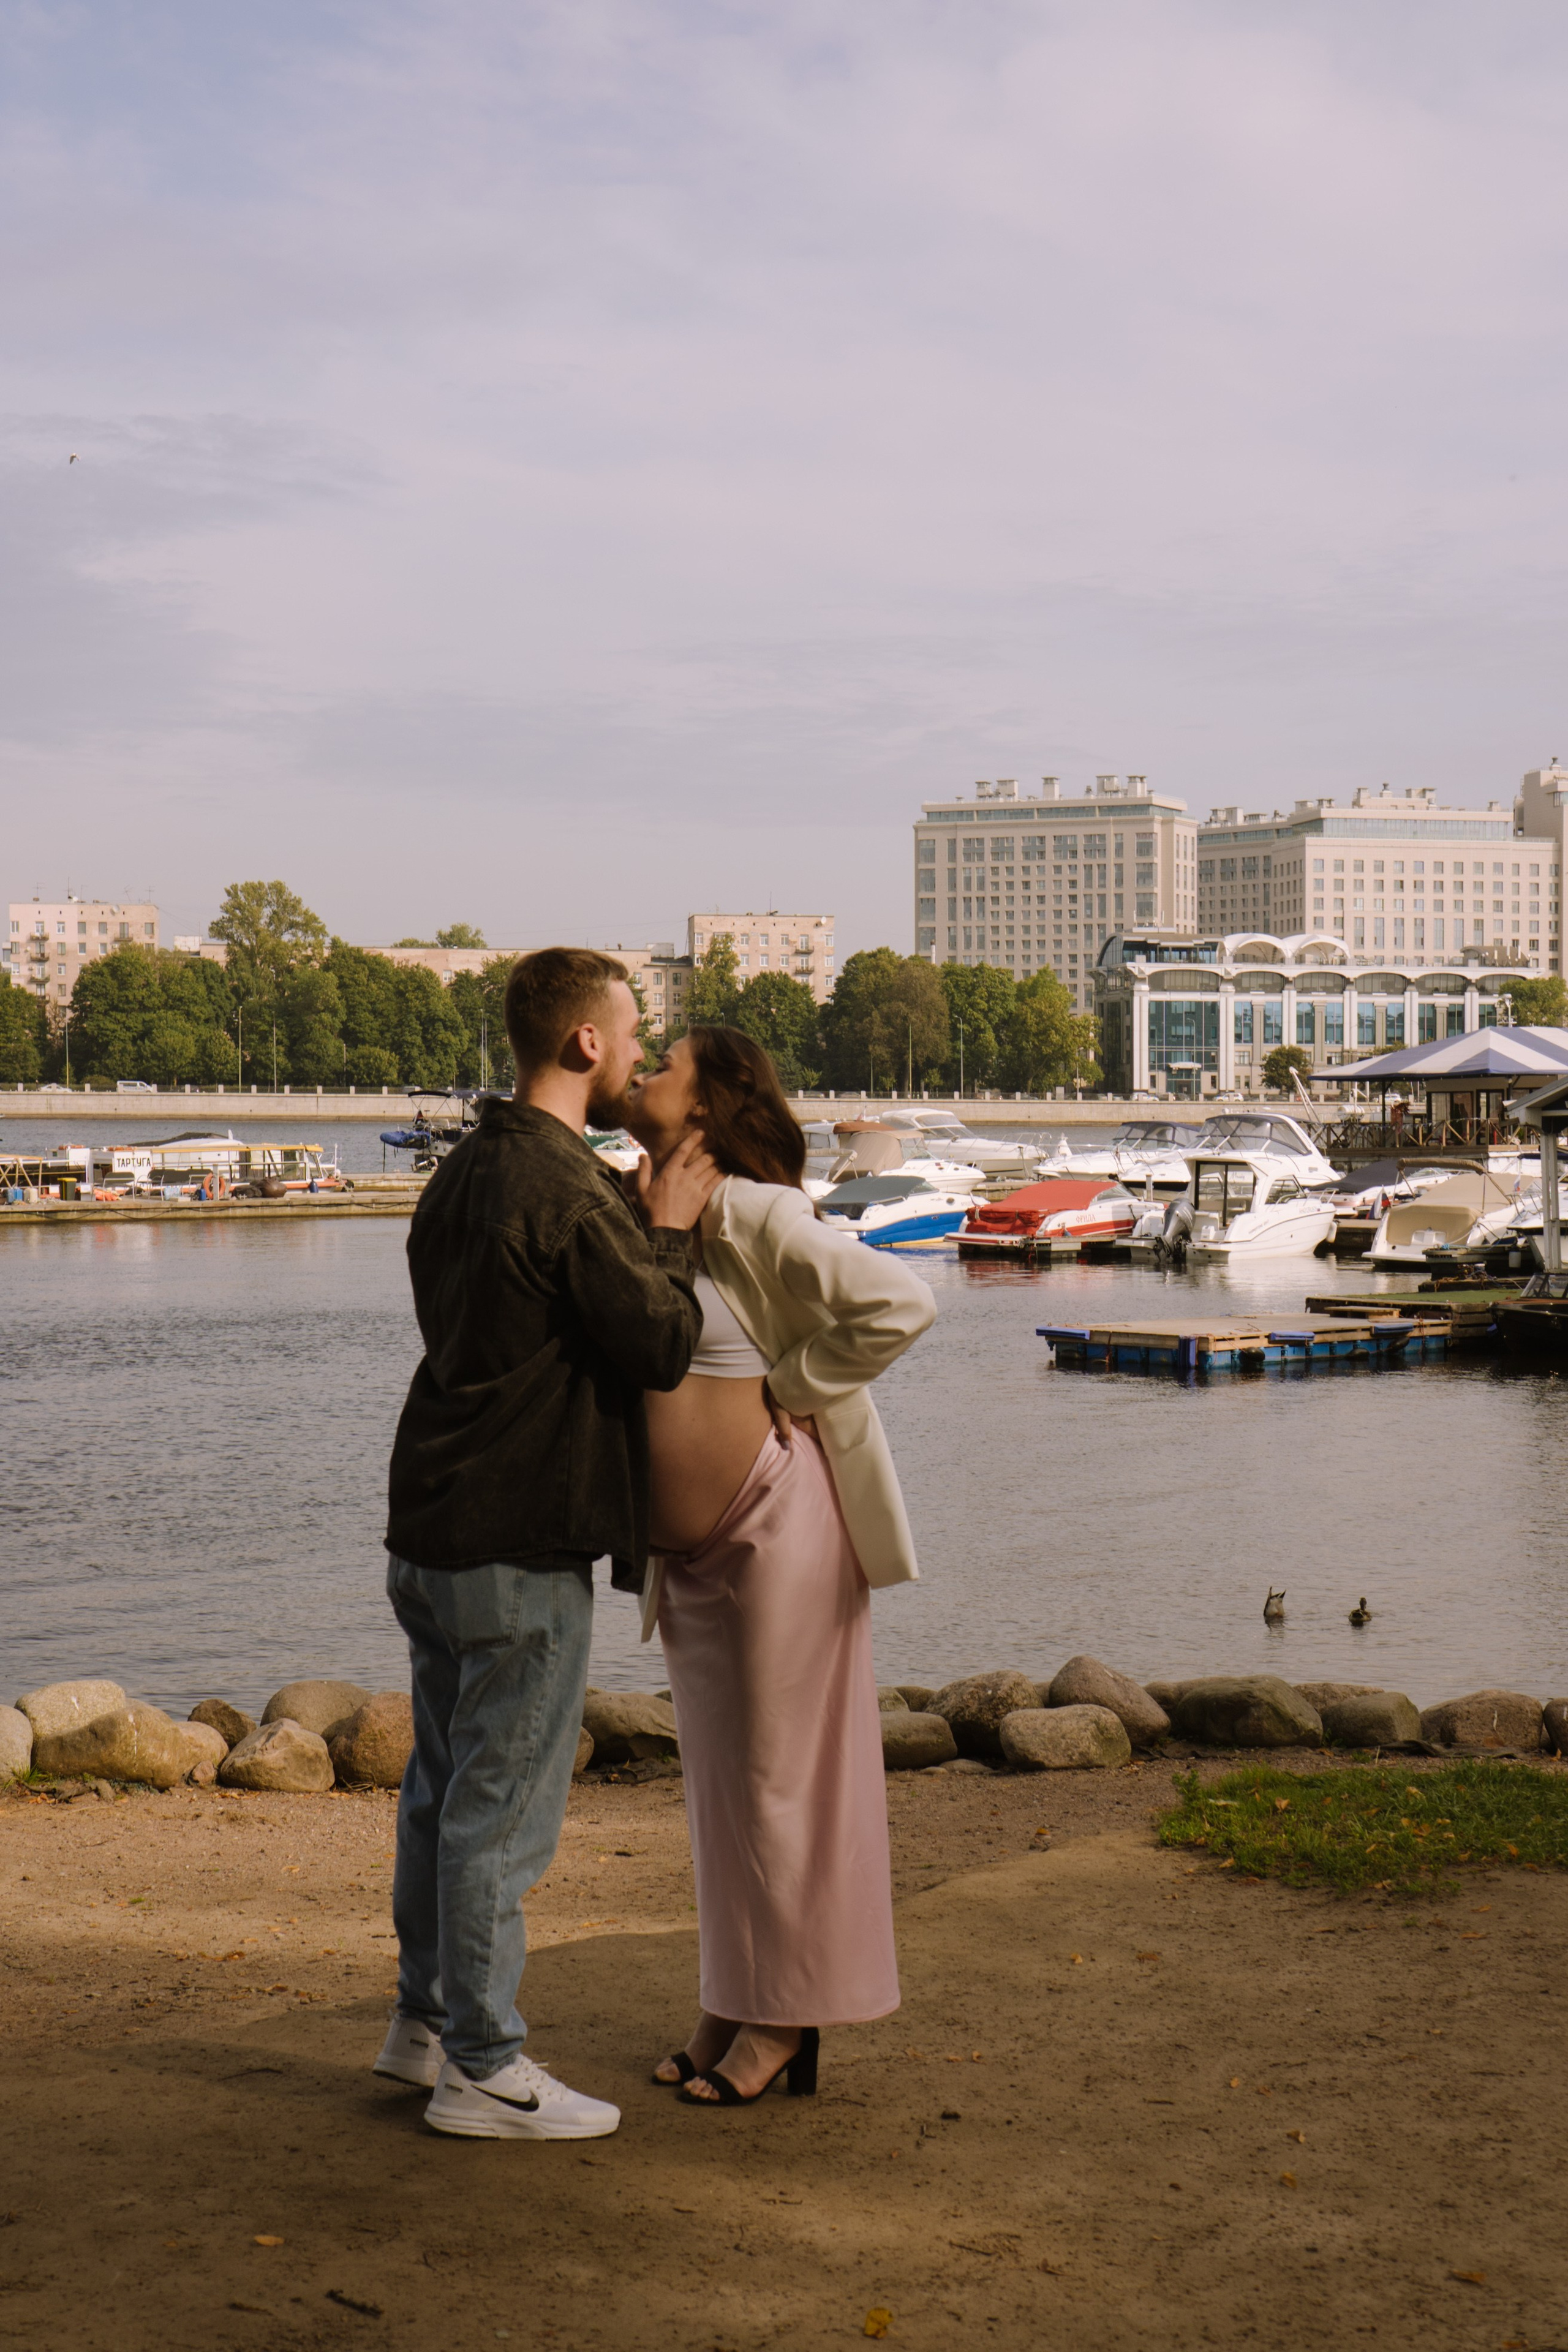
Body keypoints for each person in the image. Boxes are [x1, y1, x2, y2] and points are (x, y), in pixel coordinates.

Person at [375, 948, 717, 2139]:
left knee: (438, 1791)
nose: (636, 1051)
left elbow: (500, 1317)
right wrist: (666, 1225)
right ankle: (481, 2065)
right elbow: (662, 1344)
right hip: (518, 1535)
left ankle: (424, 2028)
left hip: (429, 1521)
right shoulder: (566, 1188)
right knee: (497, 1815)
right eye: (631, 1032)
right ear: (583, 1043)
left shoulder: (467, 1168)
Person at [624, 1027, 935, 2108]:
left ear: (708, 1108)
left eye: (662, 1062)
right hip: (698, 1557)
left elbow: (901, 1302)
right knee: (721, 1785)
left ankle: (787, 2021)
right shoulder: (653, 1209)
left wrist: (795, 1384)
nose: (642, 1070)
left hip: (778, 1524)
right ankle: (733, 1997)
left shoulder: (756, 1209)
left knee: (782, 1782)